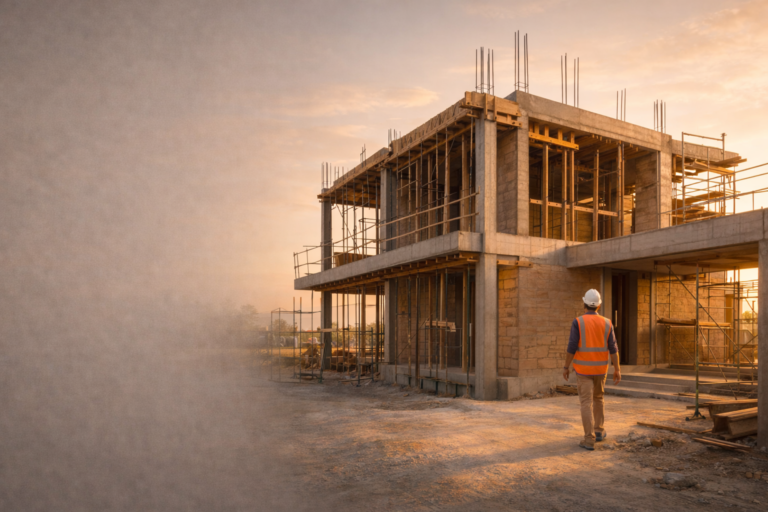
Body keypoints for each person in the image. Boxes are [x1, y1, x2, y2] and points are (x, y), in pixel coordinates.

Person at [562, 289, 621, 451]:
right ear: (599, 305)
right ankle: (599, 431)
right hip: (601, 370)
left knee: (586, 403)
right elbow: (613, 348)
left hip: (583, 371)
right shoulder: (607, 323)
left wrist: (566, 367)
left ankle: (589, 439)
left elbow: (572, 346)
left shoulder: (578, 322)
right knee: (599, 398)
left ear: (584, 304)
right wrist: (617, 369)